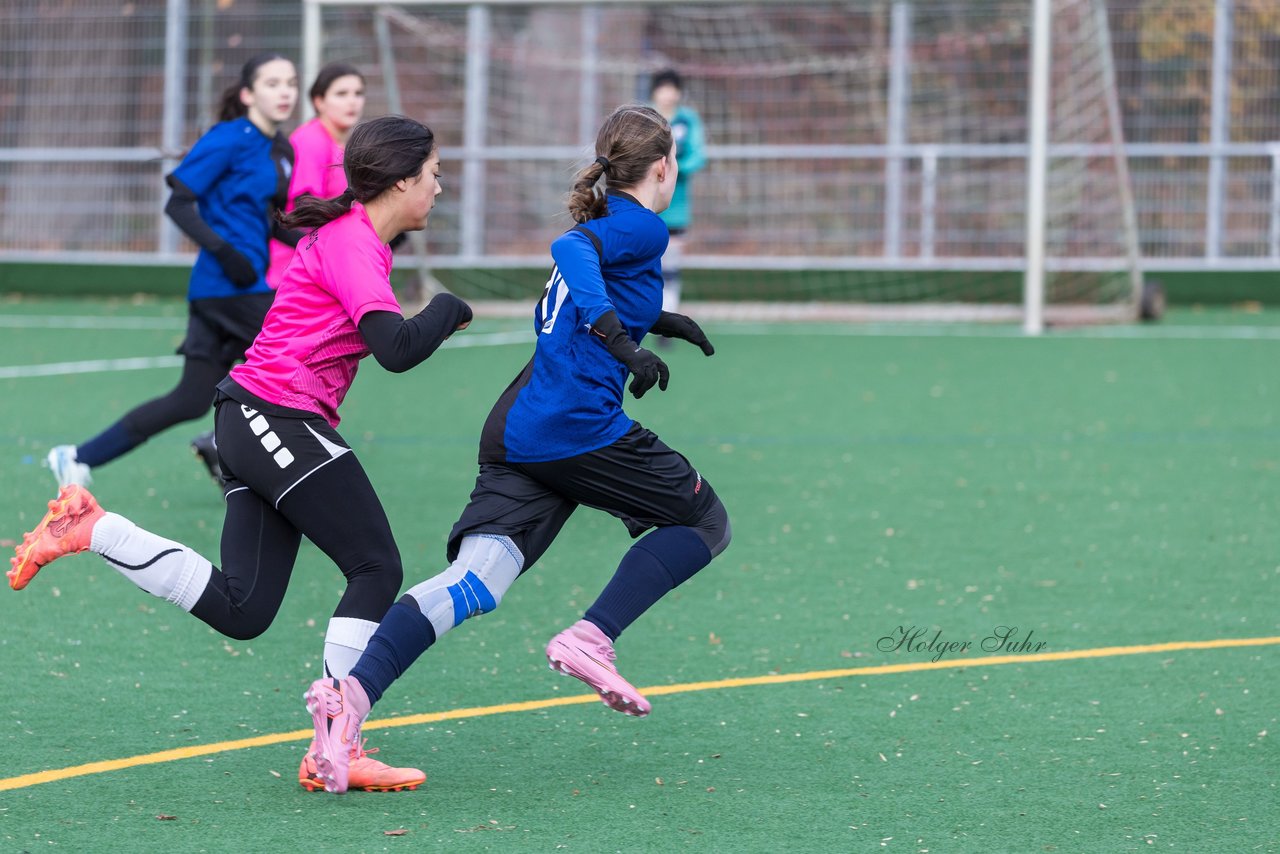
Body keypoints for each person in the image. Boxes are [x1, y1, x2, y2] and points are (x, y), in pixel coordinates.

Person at [10, 115, 473, 793]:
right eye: (434, 172)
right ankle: (336, 745)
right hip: (272, 417)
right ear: (403, 180)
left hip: (256, 421)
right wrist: (449, 307)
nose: (440, 185)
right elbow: (398, 350)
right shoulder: (353, 243)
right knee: (376, 564)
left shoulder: (362, 242)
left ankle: (92, 526)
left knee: (244, 608)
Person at [301, 104, 731, 794]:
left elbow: (572, 297)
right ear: (663, 168)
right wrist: (625, 342)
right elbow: (573, 254)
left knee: (476, 581)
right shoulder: (641, 226)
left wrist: (657, 320)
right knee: (704, 521)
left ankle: (347, 703)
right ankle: (592, 636)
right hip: (575, 426)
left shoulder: (613, 223)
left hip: (521, 428)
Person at [47, 54, 299, 489]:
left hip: (236, 287)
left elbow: (271, 219)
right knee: (295, 367)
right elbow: (178, 203)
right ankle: (285, 478)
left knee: (190, 399)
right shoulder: (227, 138)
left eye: (290, 83)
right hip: (225, 287)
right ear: (247, 94)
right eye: (272, 83)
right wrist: (225, 253)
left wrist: (323, 242)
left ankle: (77, 456)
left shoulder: (282, 150)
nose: (284, 92)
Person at [190, 62, 370, 481]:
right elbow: (299, 209)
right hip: (284, 274)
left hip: (306, 272)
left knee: (226, 382)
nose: (352, 102)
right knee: (285, 369)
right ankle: (236, 443)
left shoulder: (340, 145)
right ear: (319, 101)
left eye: (358, 93)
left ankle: (224, 442)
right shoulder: (309, 142)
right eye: (341, 93)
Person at [649, 68, 707, 318]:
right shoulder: (645, 116)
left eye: (672, 88)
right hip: (645, 202)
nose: (668, 94)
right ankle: (641, 313)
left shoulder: (687, 120)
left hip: (676, 205)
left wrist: (672, 168)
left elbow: (698, 155)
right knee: (644, 262)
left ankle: (667, 316)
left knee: (670, 265)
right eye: (663, 88)